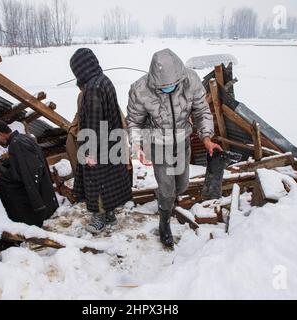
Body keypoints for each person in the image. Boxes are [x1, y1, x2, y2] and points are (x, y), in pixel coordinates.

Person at [126, 48, 222, 248]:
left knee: (182, 186)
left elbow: (202, 110)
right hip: (158, 144)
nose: (167, 89)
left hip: (182, 140)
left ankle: (166, 198)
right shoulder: (140, 89)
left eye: (171, 85)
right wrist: (138, 146)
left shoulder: (191, 80)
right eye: (163, 87)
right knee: (168, 190)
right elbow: (134, 122)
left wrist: (206, 137)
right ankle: (164, 221)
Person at [69, 48, 132, 234]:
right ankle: (110, 214)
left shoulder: (92, 89)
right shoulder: (104, 81)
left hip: (98, 144)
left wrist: (88, 152)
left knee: (96, 182)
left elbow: (93, 123)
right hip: (111, 141)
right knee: (109, 181)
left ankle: (99, 217)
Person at [0, 120, 58, 227]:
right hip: (45, 196)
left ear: (0, 134)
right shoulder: (24, 139)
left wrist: (38, 205)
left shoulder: (17, 144)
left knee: (5, 182)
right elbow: (23, 162)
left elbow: (30, 173)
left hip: (39, 203)